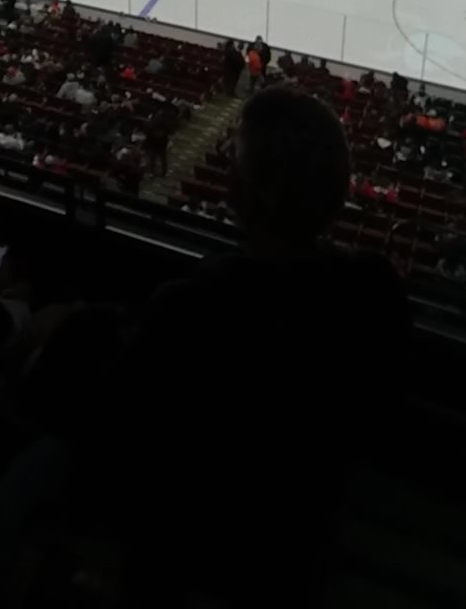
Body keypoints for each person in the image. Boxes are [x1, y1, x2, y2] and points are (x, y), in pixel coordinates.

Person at [110, 87, 409, 601]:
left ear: (242, 194)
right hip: (304, 540)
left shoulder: (189, 309)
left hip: (196, 552)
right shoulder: (371, 292)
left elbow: (129, 438)